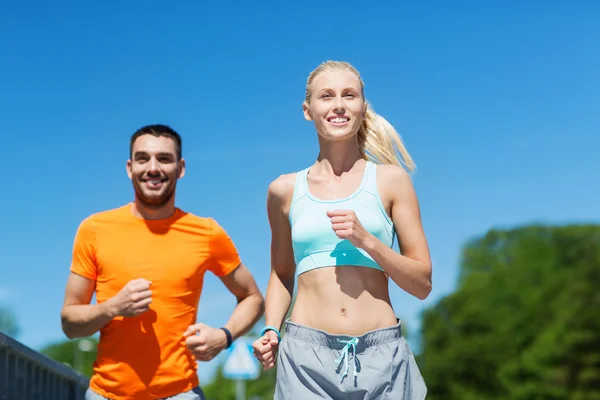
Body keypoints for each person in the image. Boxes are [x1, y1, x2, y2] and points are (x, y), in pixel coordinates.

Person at [252, 61, 432, 399]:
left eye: (349, 95)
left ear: (363, 107)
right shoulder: (283, 190)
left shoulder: (391, 181)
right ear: (308, 111)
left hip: (384, 358)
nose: (338, 105)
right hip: (306, 359)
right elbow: (281, 272)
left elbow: (422, 283)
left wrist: (367, 241)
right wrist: (271, 328)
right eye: (326, 96)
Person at [60, 124, 265, 400]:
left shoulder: (207, 232)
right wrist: (113, 307)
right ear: (129, 167)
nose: (153, 168)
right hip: (106, 394)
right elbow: (70, 323)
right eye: (143, 158)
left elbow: (252, 297)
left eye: (164, 159)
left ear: (180, 168)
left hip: (180, 393)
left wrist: (223, 337)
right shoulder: (94, 229)